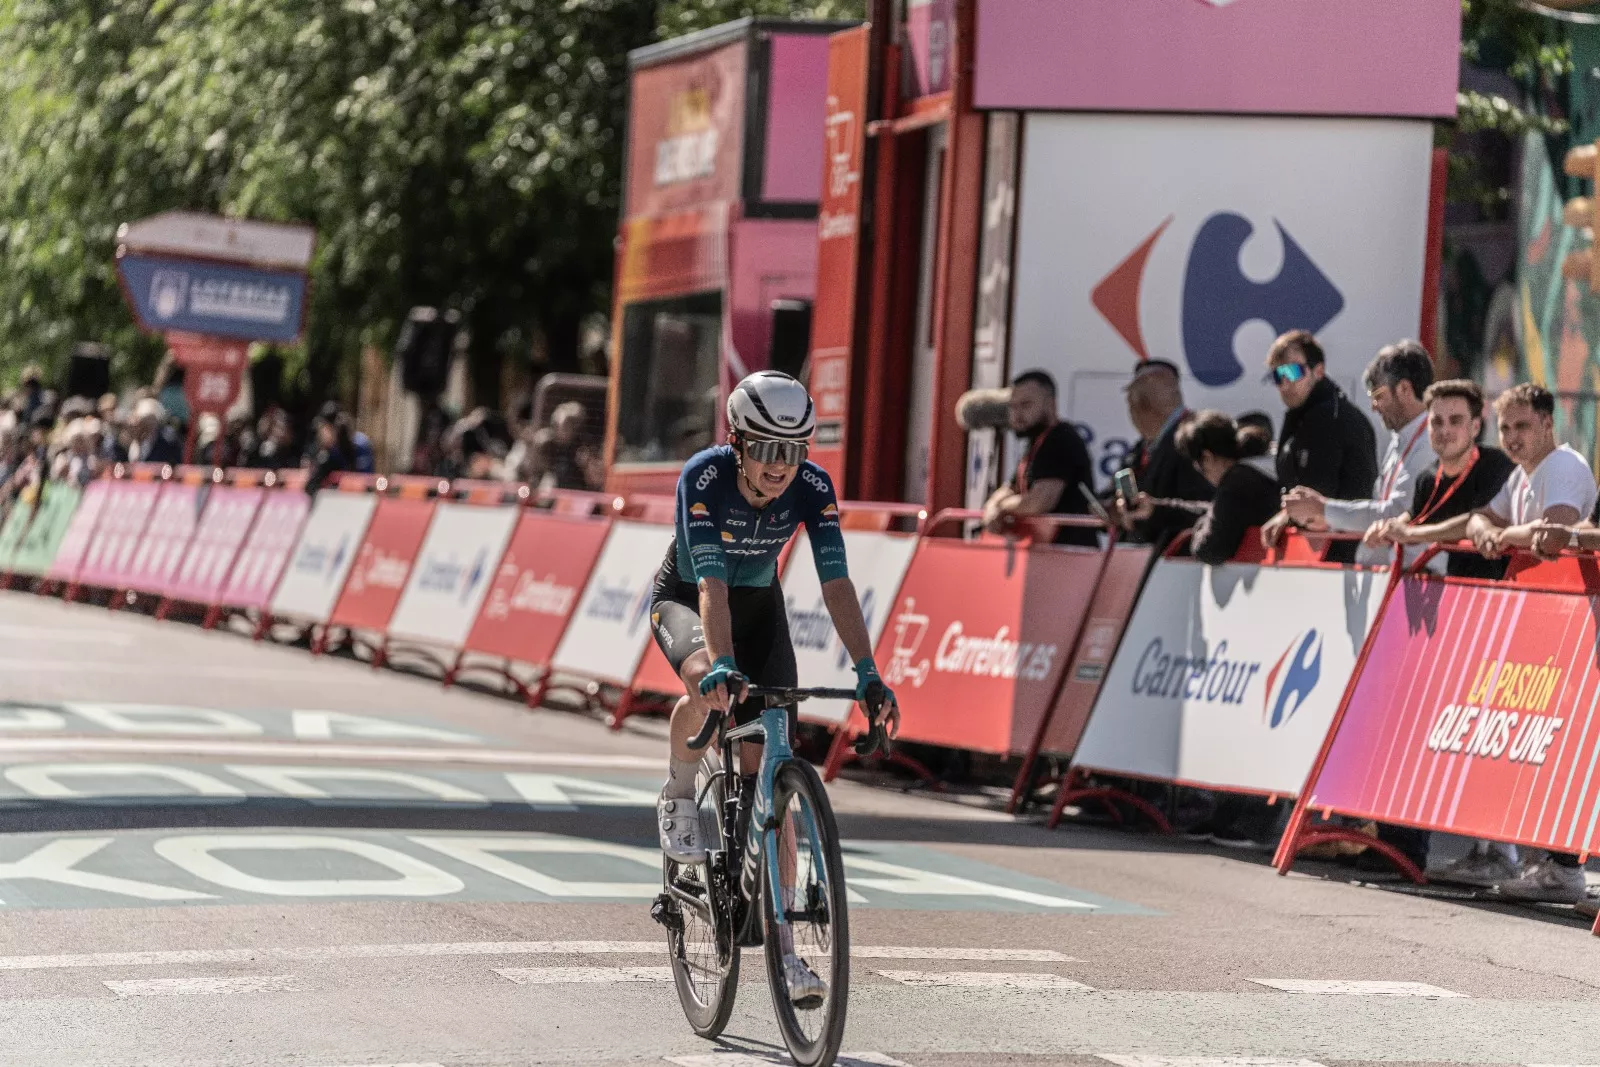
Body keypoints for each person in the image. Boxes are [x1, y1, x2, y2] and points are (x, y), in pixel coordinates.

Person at [651, 370, 898, 1007]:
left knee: (774, 765)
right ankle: (679, 793)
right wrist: (722, 665)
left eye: (792, 451)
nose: (778, 466)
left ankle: (787, 956)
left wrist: (867, 671)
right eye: (764, 448)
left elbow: (837, 585)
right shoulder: (702, 479)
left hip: (760, 606)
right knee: (709, 690)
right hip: (689, 601)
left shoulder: (814, 488)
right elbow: (709, 588)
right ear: (737, 444)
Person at [1266, 342, 1435, 567]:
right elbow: (1378, 505)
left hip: (1417, 576)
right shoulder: (1401, 438)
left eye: (1378, 395)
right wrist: (1326, 519)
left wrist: (1324, 509)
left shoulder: (1430, 442)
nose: (1374, 406)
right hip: (1391, 573)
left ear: (1404, 389)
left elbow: (1397, 513)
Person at [1364, 379, 1516, 580]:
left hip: (1503, 590)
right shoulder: (1427, 477)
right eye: (1437, 422)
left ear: (1475, 427)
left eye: (1455, 421)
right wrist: (1386, 528)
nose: (1445, 431)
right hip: (1456, 589)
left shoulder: (1498, 467)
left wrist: (1410, 535)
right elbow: (1416, 515)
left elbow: (1478, 520)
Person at [1262, 330, 1378, 562]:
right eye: (1277, 376)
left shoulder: (1329, 417)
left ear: (1319, 371)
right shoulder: (1304, 415)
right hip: (1321, 550)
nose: (1285, 383)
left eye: (1293, 371)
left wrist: (1287, 515)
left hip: (1340, 554)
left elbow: (1319, 495)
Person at [981, 370, 1097, 546]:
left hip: (1069, 554)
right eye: (1013, 406)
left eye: (1026, 405)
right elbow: (1011, 487)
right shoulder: (1037, 441)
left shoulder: (1061, 439)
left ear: (1050, 404)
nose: (1017, 415)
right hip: (1044, 553)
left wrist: (1002, 507)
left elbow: (1039, 502)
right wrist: (992, 505)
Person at [1110, 360, 1213, 552]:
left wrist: (1155, 510)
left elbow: (1208, 505)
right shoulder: (1145, 446)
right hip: (1148, 557)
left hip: (1178, 561)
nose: (1130, 411)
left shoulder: (1194, 438)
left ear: (1141, 406)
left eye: (1131, 403)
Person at [1175, 411, 1279, 566]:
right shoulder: (1265, 461)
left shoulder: (1237, 482)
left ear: (1207, 458)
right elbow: (1219, 511)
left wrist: (1198, 527)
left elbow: (1209, 549)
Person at [127, 397, 183, 465]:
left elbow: (176, 462)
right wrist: (137, 441)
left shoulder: (168, 437)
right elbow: (132, 462)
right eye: (142, 419)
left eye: (149, 418)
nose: (145, 423)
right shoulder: (133, 435)